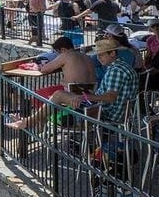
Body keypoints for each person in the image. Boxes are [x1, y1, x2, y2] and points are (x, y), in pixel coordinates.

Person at [9, 39, 137, 131]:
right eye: (98, 55)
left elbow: (110, 97)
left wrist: (85, 97)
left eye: (102, 55)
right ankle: (31, 122)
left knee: (57, 95)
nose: (99, 58)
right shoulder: (123, 66)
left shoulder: (116, 71)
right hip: (109, 109)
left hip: (102, 112)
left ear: (113, 54)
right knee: (55, 98)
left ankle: (28, 123)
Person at [33, 36, 96, 105]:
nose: (56, 55)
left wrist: (38, 66)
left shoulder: (65, 55)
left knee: (56, 94)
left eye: (56, 52)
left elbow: (44, 69)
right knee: (54, 92)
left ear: (63, 50)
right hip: (91, 95)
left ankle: (35, 116)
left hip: (78, 97)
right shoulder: (86, 56)